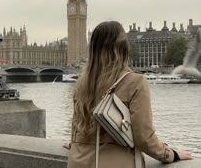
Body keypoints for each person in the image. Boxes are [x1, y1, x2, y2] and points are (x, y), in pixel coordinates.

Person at [66, 21, 192, 168]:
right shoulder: (135, 82)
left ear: (93, 50)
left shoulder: (82, 84)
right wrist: (170, 154)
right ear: (123, 48)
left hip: (78, 161)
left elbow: (78, 128)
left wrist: (74, 144)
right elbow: (144, 138)